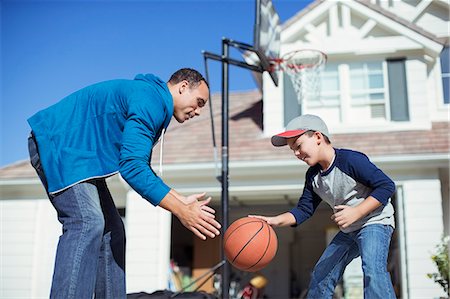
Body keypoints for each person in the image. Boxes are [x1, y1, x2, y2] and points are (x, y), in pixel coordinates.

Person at [27, 68, 222, 299]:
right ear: (182, 87)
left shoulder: (153, 100)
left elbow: (140, 167)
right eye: (199, 102)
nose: (199, 111)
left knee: (114, 232)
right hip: (60, 145)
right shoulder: (150, 99)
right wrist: (181, 210)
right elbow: (132, 167)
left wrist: (179, 199)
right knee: (88, 222)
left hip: (83, 159)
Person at [249, 114, 396, 299]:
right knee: (322, 272)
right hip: (349, 229)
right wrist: (275, 220)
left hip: (375, 222)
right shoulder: (313, 177)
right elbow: (304, 210)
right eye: (292, 150)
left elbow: (386, 186)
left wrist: (357, 211)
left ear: (318, 137)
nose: (296, 153)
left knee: (373, 270)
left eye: (298, 146)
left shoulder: (351, 160)